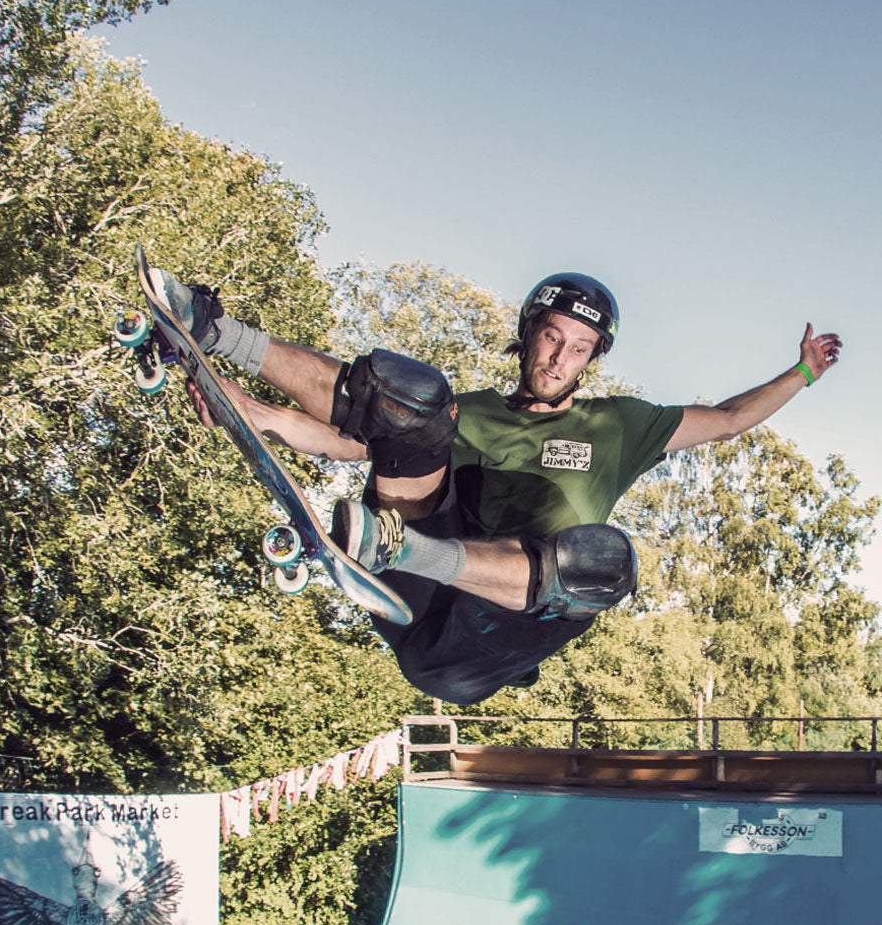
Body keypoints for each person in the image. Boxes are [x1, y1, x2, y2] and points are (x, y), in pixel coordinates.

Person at [153, 267, 842, 705]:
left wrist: (804, 372)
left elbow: (728, 420)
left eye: (578, 348)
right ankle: (218, 330)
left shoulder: (621, 426)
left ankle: (402, 547)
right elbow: (352, 436)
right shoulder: (473, 412)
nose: (559, 359)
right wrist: (256, 414)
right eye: (552, 338)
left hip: (486, 641)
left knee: (604, 561)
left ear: (593, 358)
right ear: (528, 333)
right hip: (413, 595)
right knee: (413, 396)